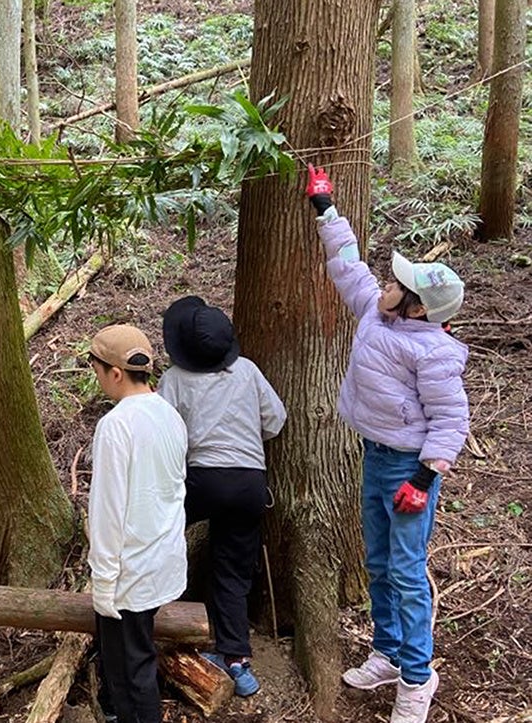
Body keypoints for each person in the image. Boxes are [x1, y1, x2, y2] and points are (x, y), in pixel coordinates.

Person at [305, 165, 469, 723]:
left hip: (409, 469)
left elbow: (452, 419)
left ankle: (418, 679)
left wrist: (424, 481)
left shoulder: (437, 354)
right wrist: (326, 208)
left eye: (399, 285)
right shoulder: (378, 314)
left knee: (406, 569)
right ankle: (389, 652)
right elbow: (348, 266)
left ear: (419, 308)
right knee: (378, 562)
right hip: (375, 456)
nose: (387, 284)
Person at [157, 296, 286, 697]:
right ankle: (237, 660)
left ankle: (156, 623)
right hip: (248, 481)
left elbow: (162, 432)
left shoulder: (175, 380)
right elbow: (275, 420)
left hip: (200, 480)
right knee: (232, 568)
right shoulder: (246, 371)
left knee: (163, 538)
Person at [86, 324, 188, 723]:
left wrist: (105, 579)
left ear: (115, 372)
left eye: (96, 369)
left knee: (132, 670)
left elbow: (108, 509)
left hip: (129, 570)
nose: (98, 379)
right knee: (134, 658)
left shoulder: (116, 425)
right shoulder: (170, 415)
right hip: (160, 559)